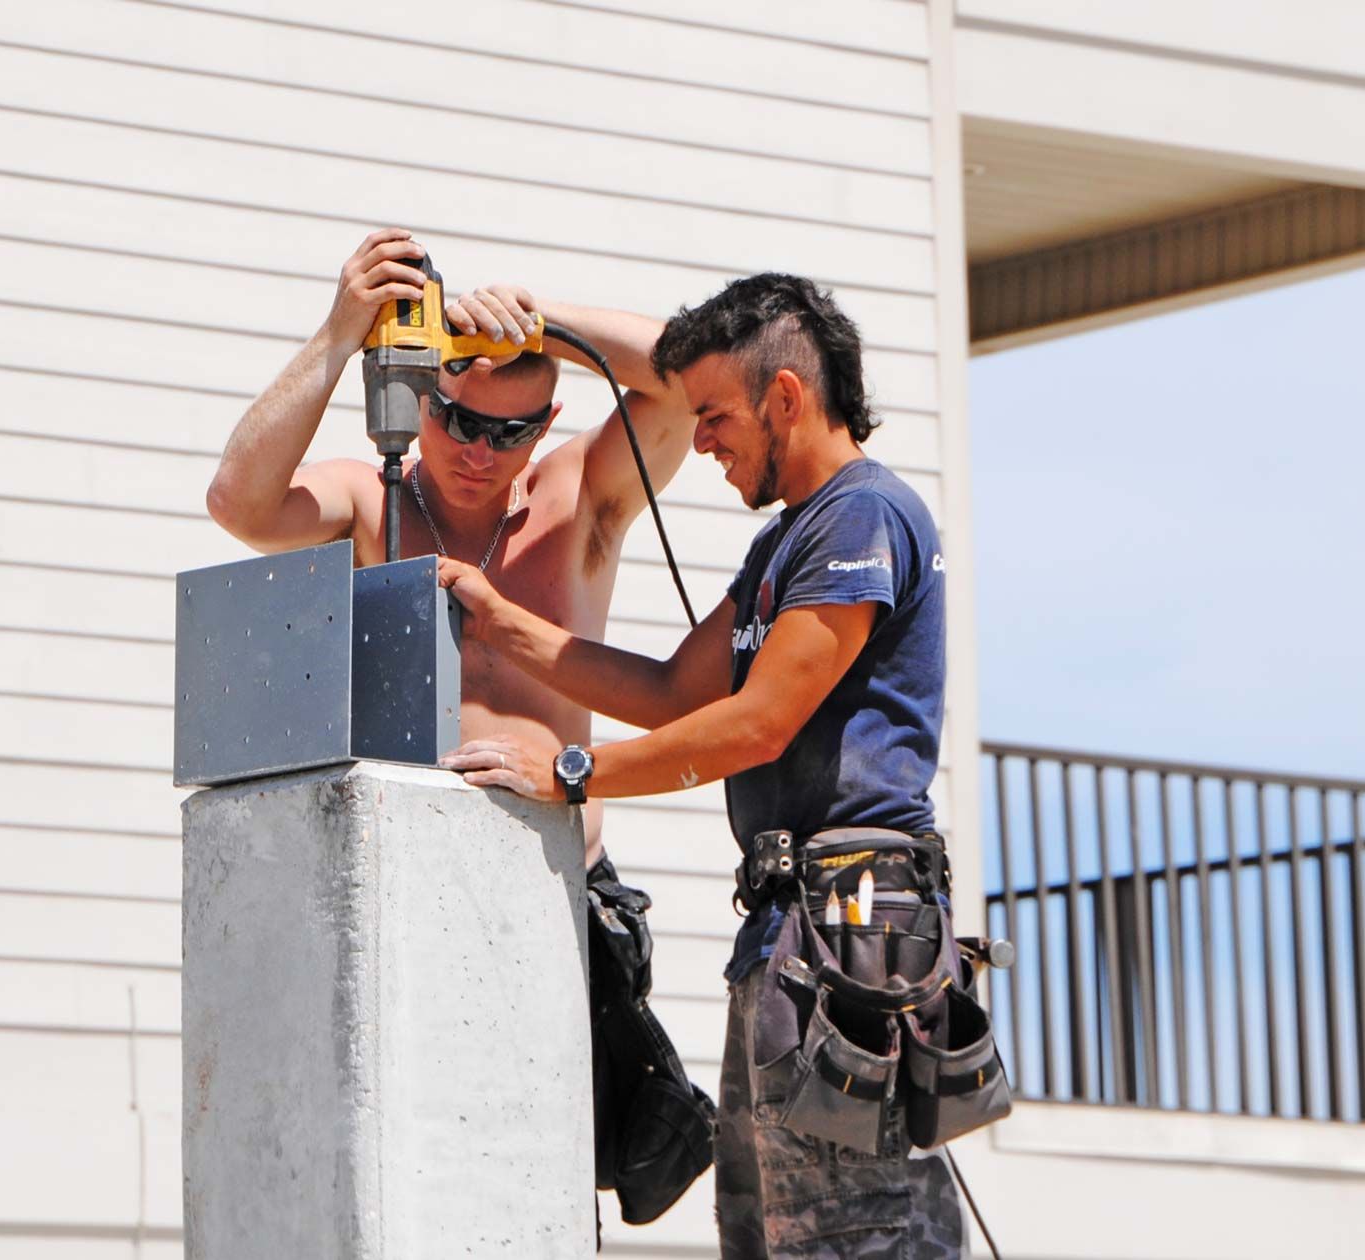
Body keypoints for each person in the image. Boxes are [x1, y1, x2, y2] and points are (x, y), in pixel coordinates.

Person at [435, 273, 966, 1259]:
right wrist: (503, 627)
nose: (705, 438)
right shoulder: (786, 543)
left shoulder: (860, 518)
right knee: (767, 1235)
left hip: (851, 928)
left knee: (854, 1234)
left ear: (788, 401)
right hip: (791, 934)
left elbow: (756, 724)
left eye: (718, 415)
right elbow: (680, 691)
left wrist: (575, 772)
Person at [206, 228, 695, 867]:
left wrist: (543, 325)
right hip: (414, 864)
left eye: (509, 432)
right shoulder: (371, 502)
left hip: (562, 873)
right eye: (458, 420)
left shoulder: (577, 501)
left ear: (546, 425)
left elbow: (692, 379)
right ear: (417, 397)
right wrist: (341, 331)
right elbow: (239, 503)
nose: (478, 453)